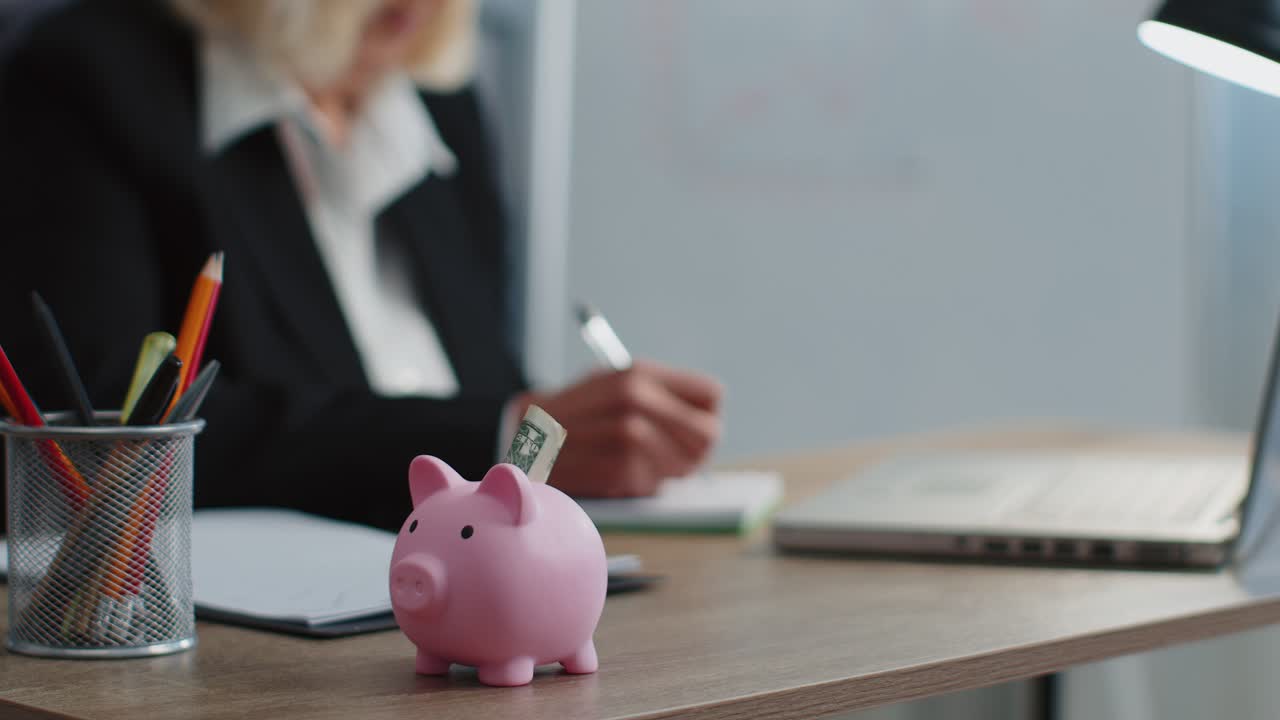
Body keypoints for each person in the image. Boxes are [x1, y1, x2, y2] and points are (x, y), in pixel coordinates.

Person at [0, 0, 722, 531]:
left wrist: (570, 438)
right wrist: (502, 438)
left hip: (478, 596)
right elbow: (102, 426)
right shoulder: (92, 81)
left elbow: (478, 378)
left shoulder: (439, 103)